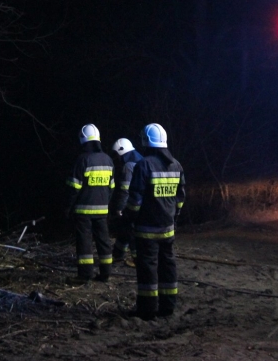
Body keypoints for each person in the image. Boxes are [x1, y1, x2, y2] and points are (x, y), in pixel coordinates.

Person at [125, 123, 186, 320]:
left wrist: (129, 219)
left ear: (146, 141)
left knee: (148, 269)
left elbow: (135, 200)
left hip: (146, 230)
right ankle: (168, 306)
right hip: (168, 229)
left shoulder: (144, 165)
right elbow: (180, 198)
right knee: (168, 266)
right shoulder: (176, 165)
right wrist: (173, 218)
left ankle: (147, 310)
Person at [63, 123, 115, 282]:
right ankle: (106, 273)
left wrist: (67, 207)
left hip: (83, 210)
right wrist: (105, 203)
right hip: (102, 209)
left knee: (84, 242)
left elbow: (74, 187)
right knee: (103, 241)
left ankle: (85, 275)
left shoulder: (82, 159)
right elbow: (112, 187)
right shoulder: (108, 159)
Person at [110, 137, 143, 265]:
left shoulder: (128, 166)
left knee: (130, 229)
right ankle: (118, 254)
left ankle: (137, 259)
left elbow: (125, 190)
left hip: (133, 204)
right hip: (143, 203)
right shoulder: (141, 160)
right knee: (125, 228)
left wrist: (119, 208)